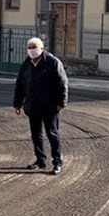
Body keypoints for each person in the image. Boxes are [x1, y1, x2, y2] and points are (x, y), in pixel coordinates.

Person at [13, 37, 68, 175]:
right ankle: (40, 160)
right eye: (29, 47)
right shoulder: (26, 64)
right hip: (33, 105)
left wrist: (61, 103)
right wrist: (17, 103)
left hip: (50, 106)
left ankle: (57, 162)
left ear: (42, 48)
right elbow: (20, 84)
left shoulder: (52, 62)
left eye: (34, 47)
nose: (32, 50)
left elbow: (62, 83)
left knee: (52, 134)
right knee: (35, 135)